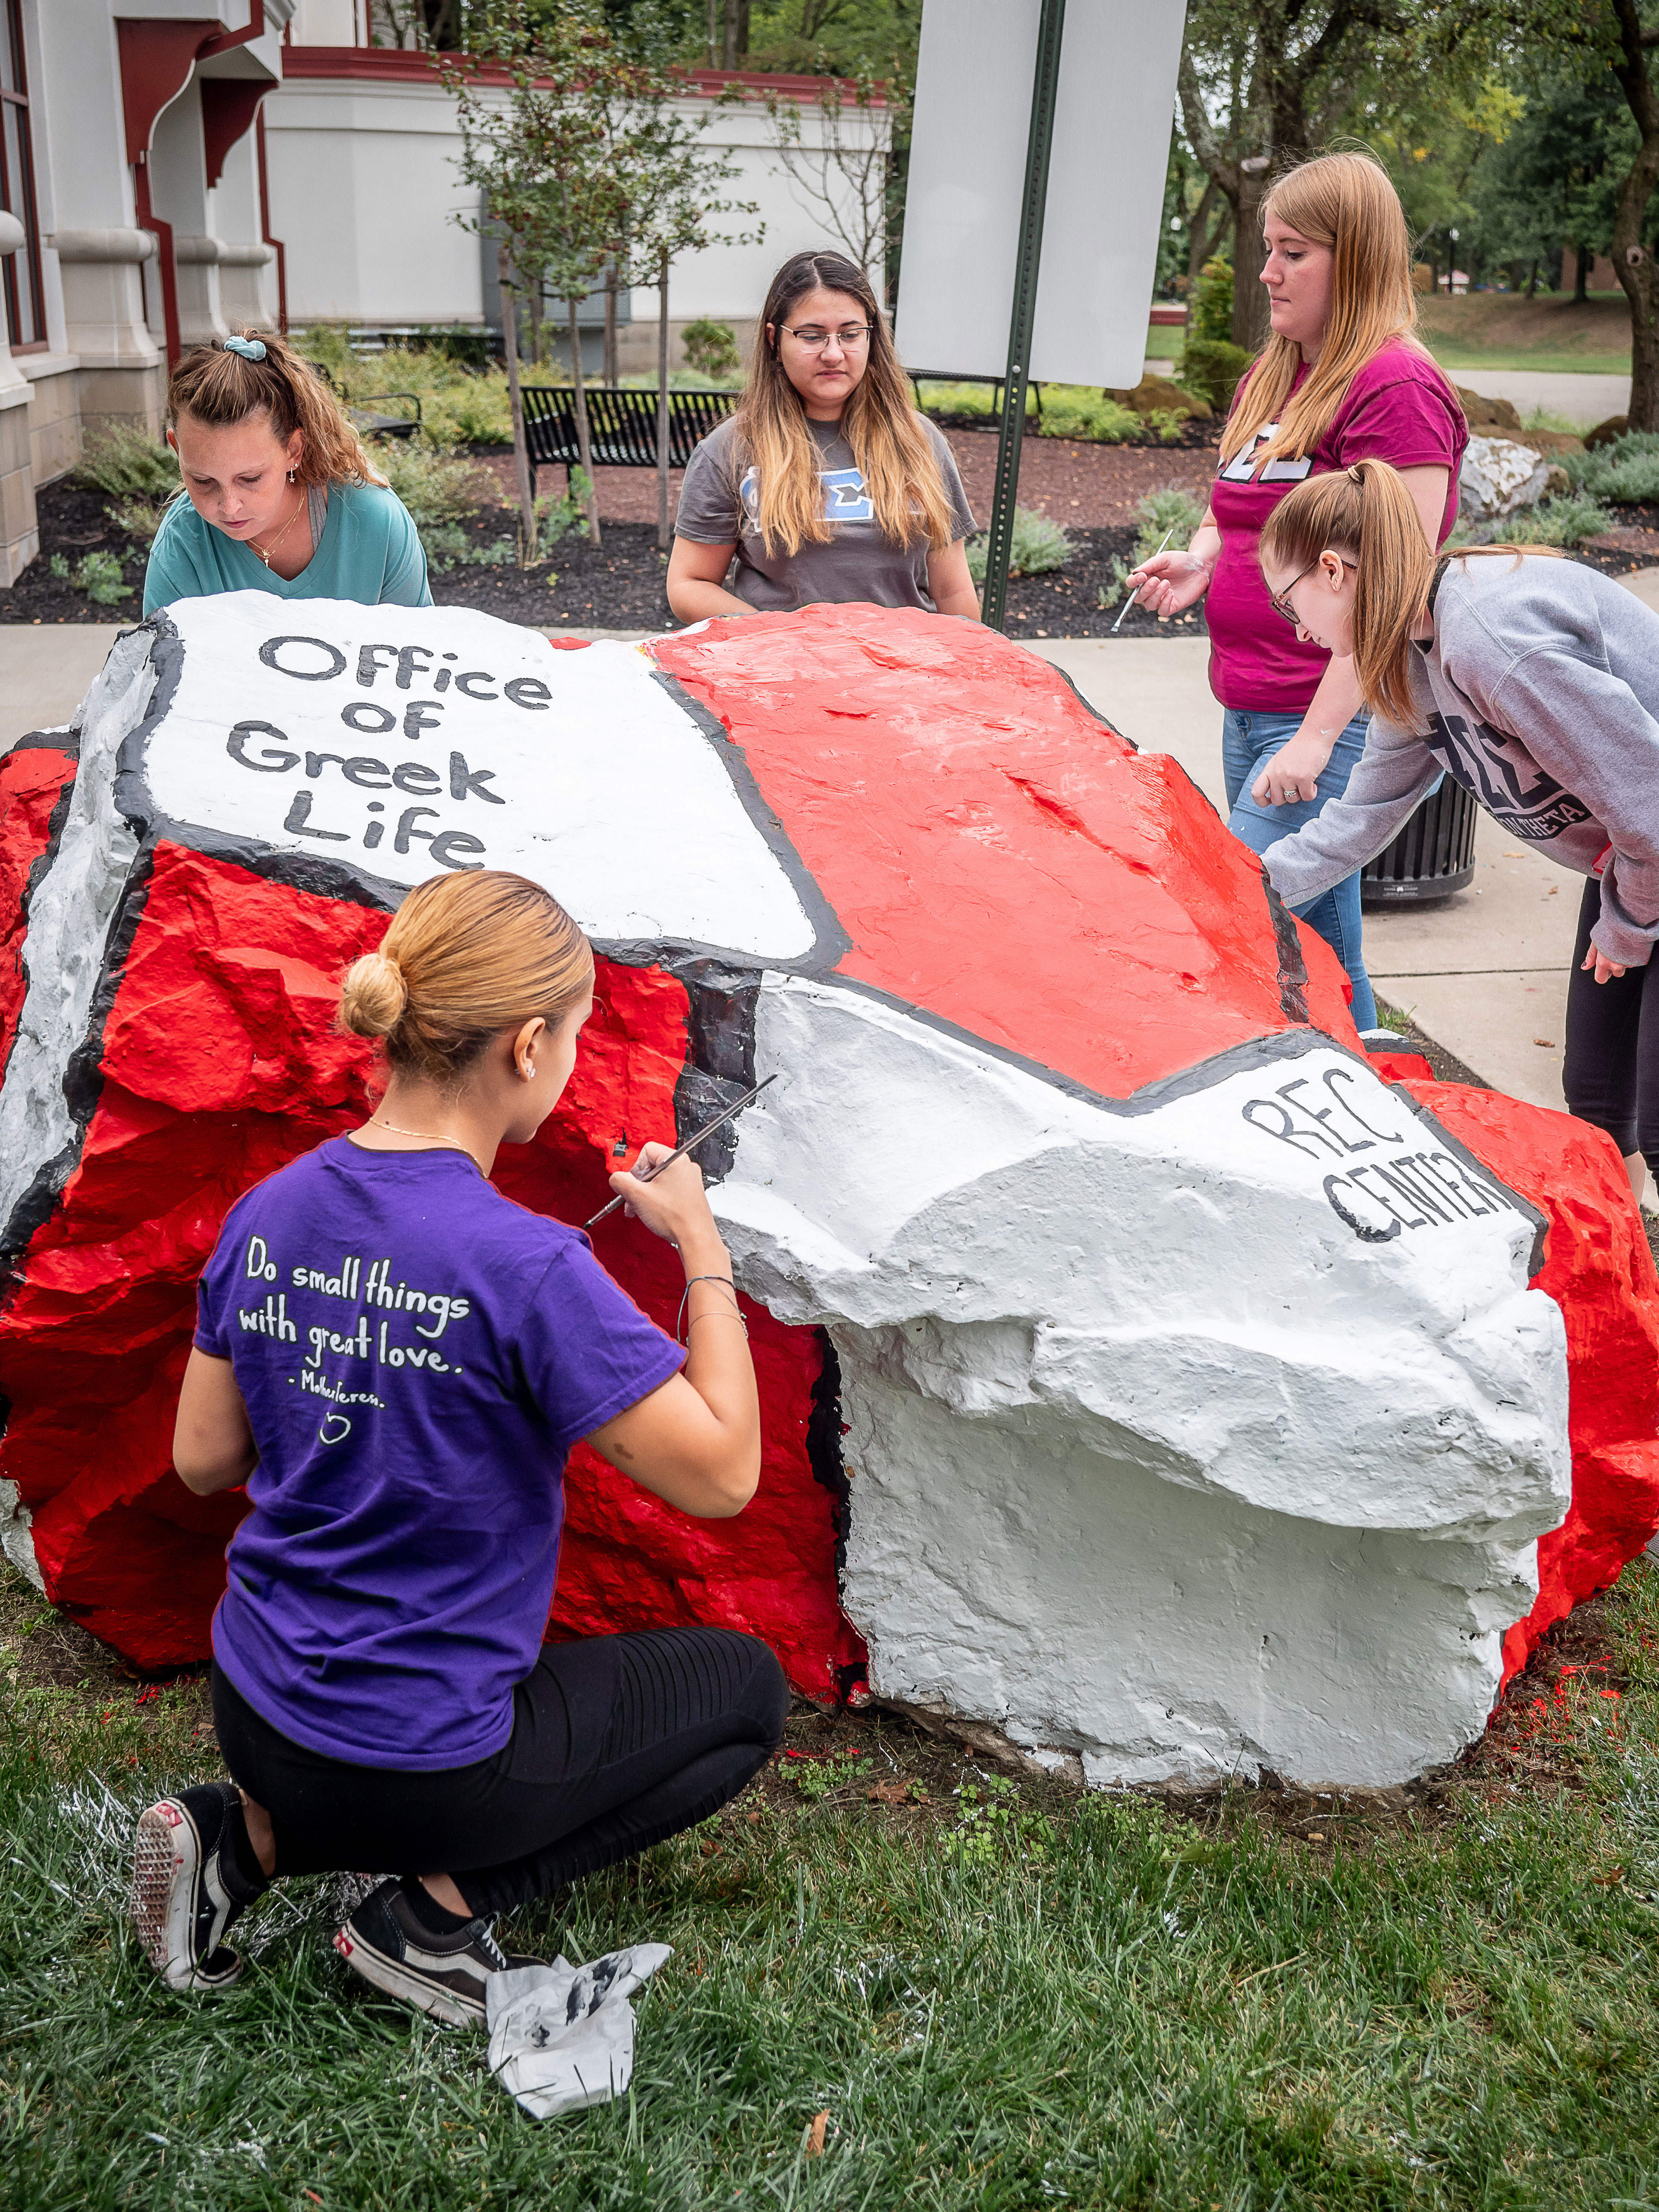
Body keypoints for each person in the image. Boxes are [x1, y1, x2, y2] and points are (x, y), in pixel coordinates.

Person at [131, 870, 786, 2022]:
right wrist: (700, 1243)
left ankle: (245, 1839)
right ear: (528, 1047)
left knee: (369, 1739)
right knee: (744, 1695)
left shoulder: (273, 1209)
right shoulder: (529, 1267)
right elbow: (728, 1475)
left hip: (256, 1707)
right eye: (576, 1039)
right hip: (424, 1767)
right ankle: (426, 1922)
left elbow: (202, 1460)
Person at [1126, 151, 1469, 1036]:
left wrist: (1319, 739)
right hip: (1250, 703)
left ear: (1353, 260)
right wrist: (1203, 556)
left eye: (1294, 252)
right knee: (1308, 935)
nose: (1269, 272)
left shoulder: (1396, 386)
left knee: (1252, 901)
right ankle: (1360, 1073)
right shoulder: (1276, 372)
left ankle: (1341, 1067)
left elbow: (1393, 585)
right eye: (1268, 248)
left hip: (1327, 718)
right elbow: (1235, 507)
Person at [1255, 457, 1657, 1205]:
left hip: (1650, 851)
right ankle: (1627, 1280)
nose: (1301, 632)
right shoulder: (1410, 658)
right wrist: (1235, 888)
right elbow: (1358, 818)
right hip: (1633, 861)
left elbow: (1653, 805)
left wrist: (1628, 927)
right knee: (1598, 1100)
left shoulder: (1492, 641)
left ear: (1334, 571)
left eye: (1290, 605)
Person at [667, 248, 980, 622]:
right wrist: (777, 636)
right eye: (812, 336)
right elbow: (690, 582)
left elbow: (953, 590)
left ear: (871, 338)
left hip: (904, 670)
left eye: (850, 334)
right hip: (786, 670)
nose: (834, 354)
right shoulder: (730, 450)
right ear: (774, 341)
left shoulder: (919, 441)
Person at [143, 329, 431, 616]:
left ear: (294, 450)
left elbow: (418, 649)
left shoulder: (375, 522)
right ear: (177, 450)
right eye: (203, 481)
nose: (230, 507)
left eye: (251, 478)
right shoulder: (181, 546)